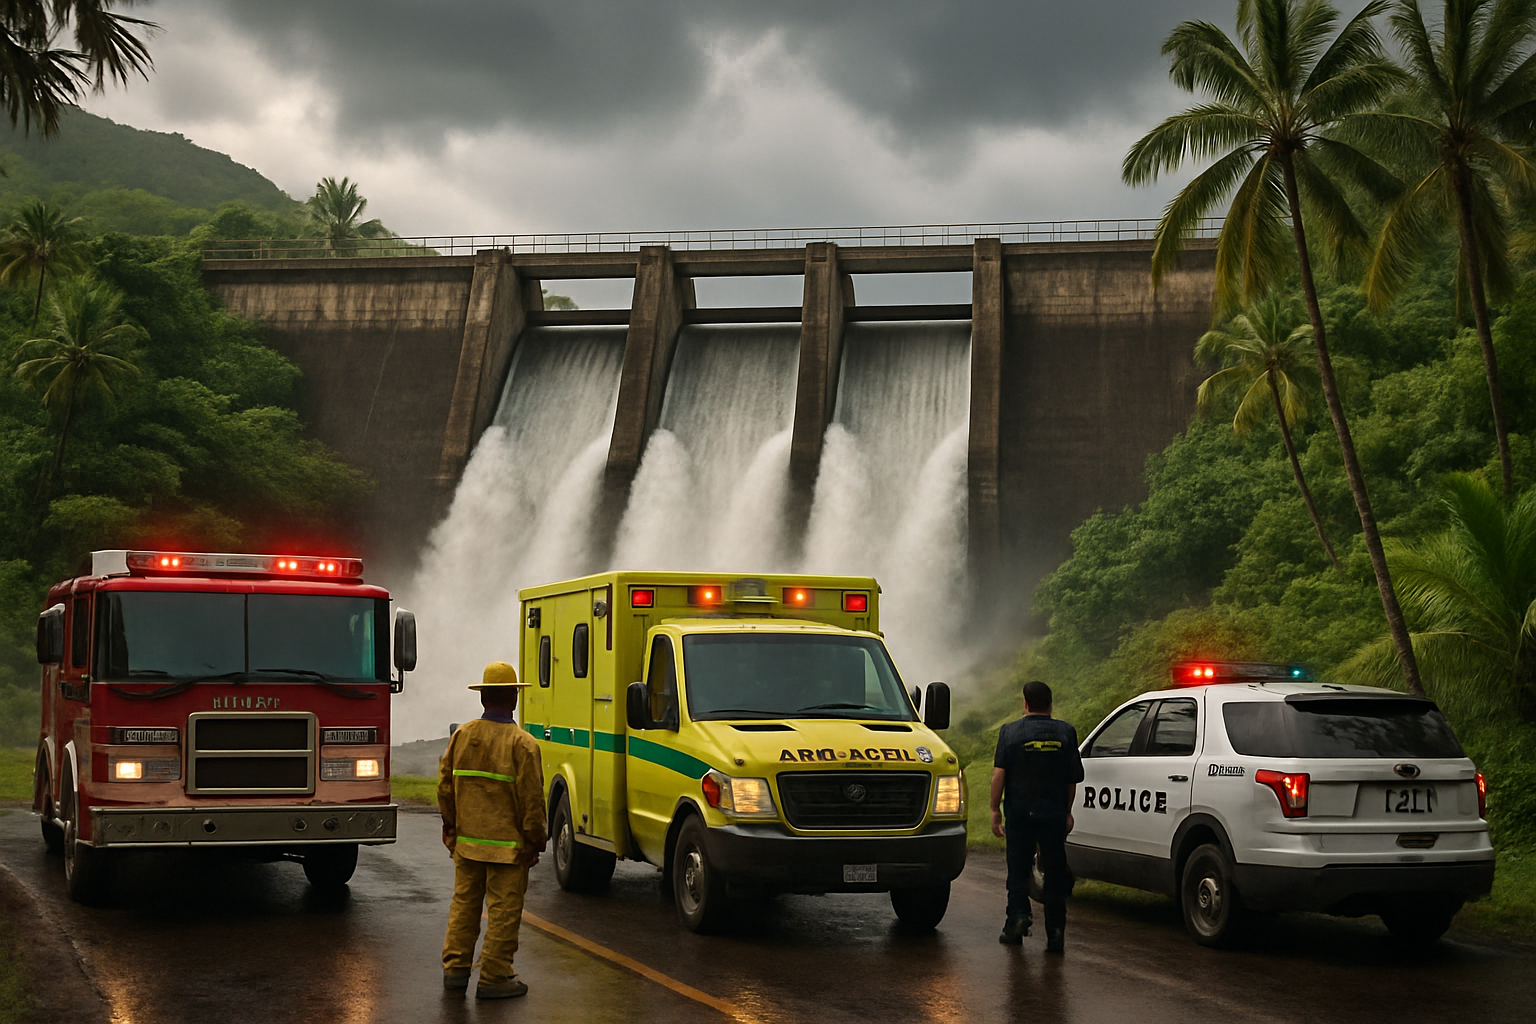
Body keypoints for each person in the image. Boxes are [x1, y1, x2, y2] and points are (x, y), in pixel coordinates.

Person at [438, 661, 548, 999]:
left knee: (464, 907)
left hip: (467, 845)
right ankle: (495, 978)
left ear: (483, 696)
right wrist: (535, 842)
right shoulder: (523, 744)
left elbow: (445, 786)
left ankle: (455, 971)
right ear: (513, 698)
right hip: (509, 850)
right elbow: (532, 802)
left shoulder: (462, 736)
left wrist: (451, 827)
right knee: (503, 912)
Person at [990, 679, 1083, 953]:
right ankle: (1055, 934)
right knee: (1054, 873)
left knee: (1018, 870)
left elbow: (999, 775)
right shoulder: (1066, 733)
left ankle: (1017, 920)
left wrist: (995, 810)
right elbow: (1071, 779)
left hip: (1020, 814)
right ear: (1051, 705)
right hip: (1053, 814)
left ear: (1025, 704)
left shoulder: (1010, 732)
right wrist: (1067, 812)